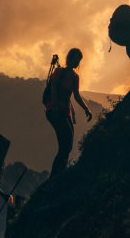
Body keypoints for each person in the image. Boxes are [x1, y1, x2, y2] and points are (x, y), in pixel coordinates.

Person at [42, 48, 94, 176]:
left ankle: (59, 172)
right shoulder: (60, 71)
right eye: (75, 58)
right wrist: (54, 106)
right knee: (66, 140)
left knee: (68, 143)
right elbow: (53, 88)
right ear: (69, 59)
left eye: (79, 59)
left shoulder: (75, 77)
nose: (77, 61)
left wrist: (86, 109)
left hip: (65, 111)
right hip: (54, 109)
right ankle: (56, 174)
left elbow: (76, 95)